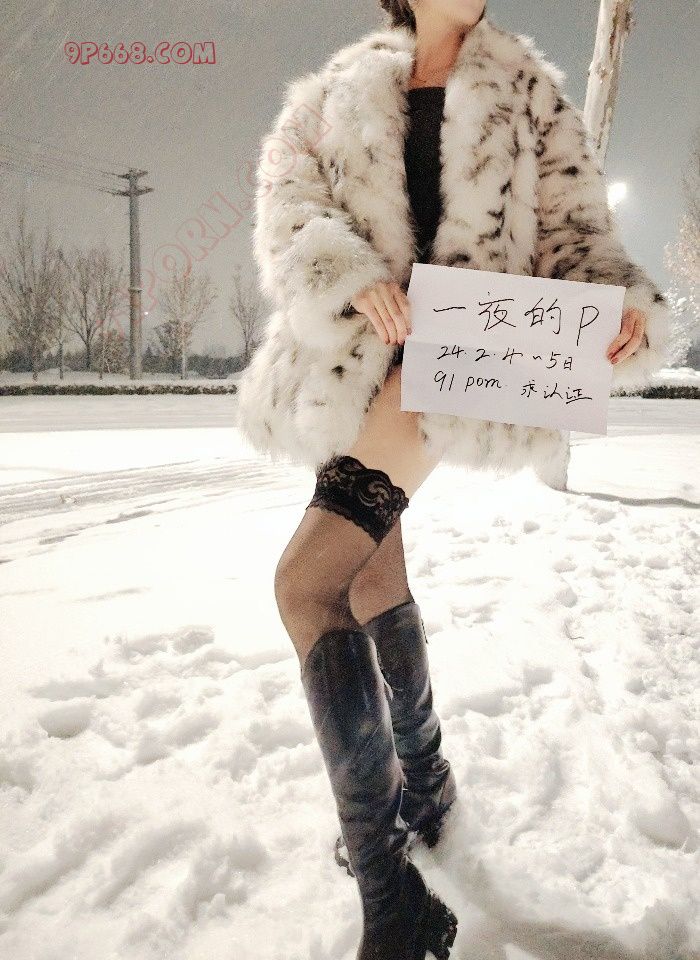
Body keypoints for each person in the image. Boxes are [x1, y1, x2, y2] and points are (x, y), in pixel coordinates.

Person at [236, 2, 672, 957]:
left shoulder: (528, 92)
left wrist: (623, 306)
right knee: (367, 575)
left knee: (304, 584)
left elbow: (576, 236)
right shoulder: (335, 89)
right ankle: (425, 789)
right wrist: (345, 271)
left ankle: (393, 894)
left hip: (452, 357)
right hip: (347, 364)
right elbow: (288, 205)